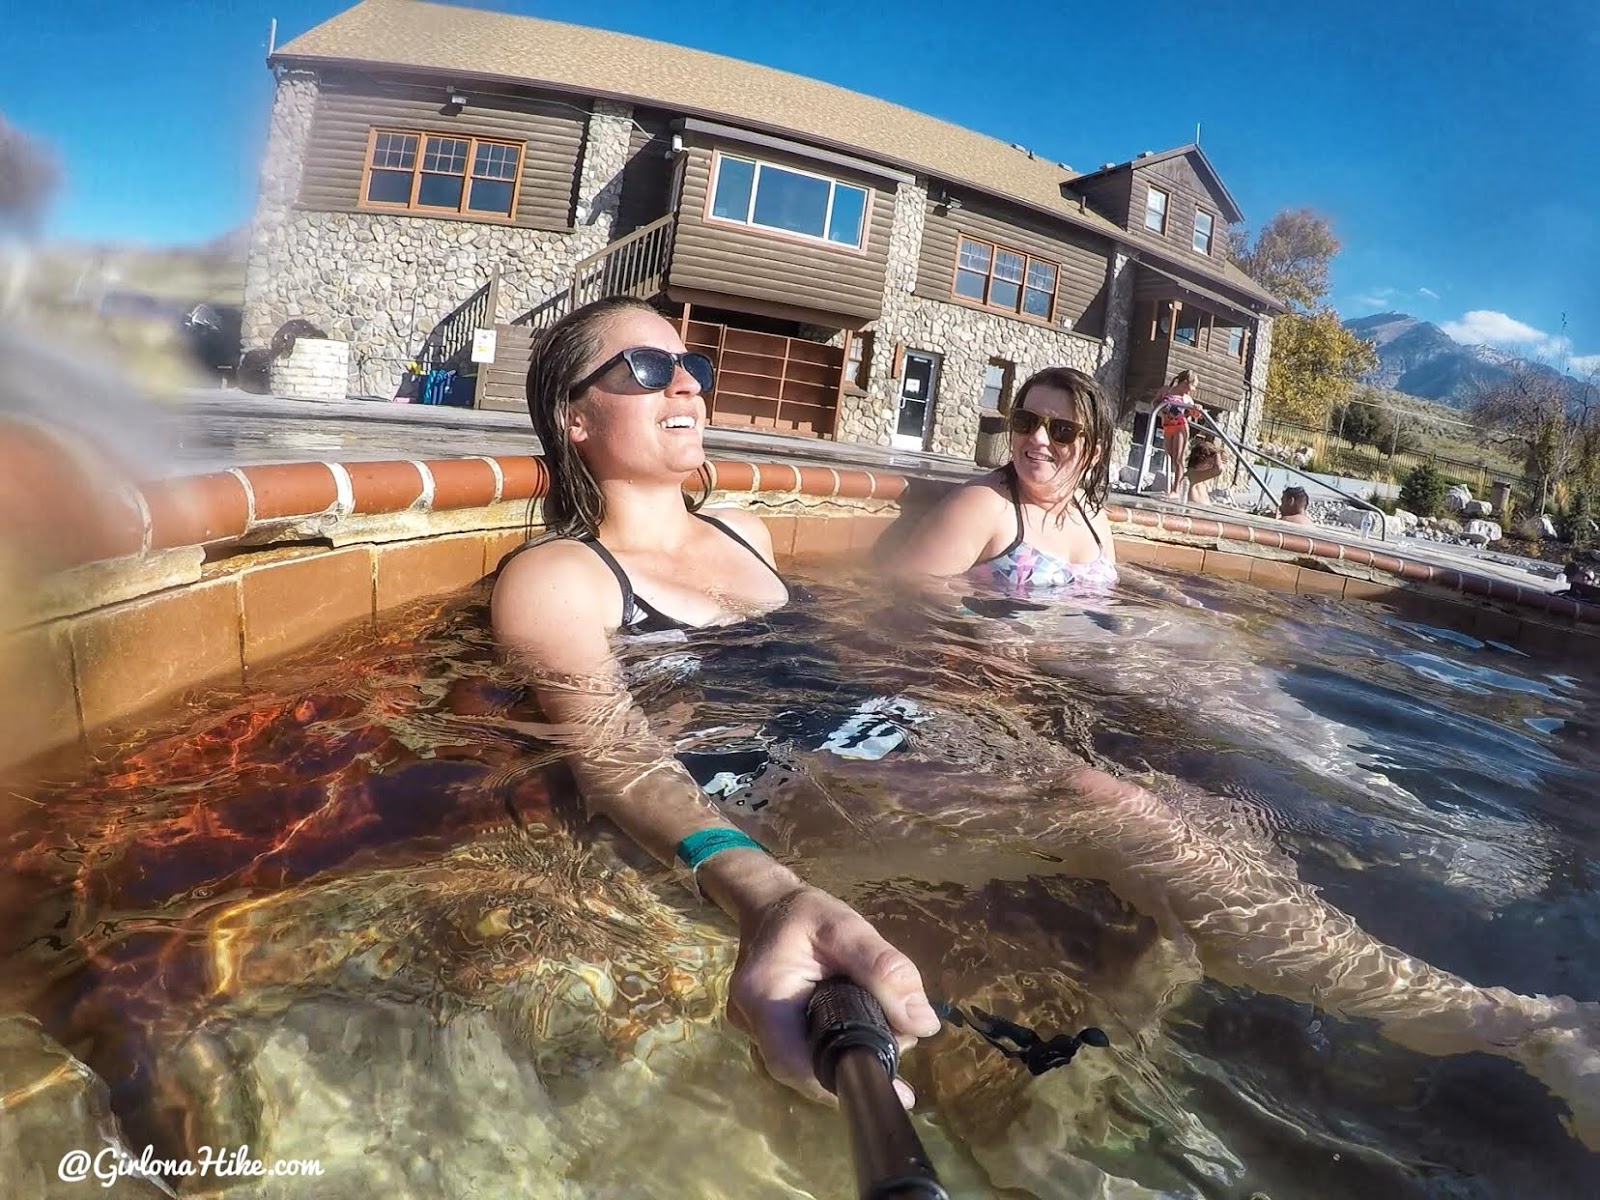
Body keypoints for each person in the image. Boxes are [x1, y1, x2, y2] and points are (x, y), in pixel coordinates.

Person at [489, 295, 940, 1108]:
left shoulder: (746, 531)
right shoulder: (559, 576)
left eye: (692, 368)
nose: (686, 386)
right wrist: (764, 891)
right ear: (575, 419)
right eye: (648, 369)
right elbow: (614, 754)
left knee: (1118, 807)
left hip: (876, 744)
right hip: (777, 798)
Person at [883, 366, 1118, 598]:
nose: (1037, 437)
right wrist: (976, 622)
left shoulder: (1093, 516)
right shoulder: (983, 505)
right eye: (1026, 421)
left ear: (1092, 454)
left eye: (1062, 430)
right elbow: (906, 587)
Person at [1156, 370, 1203, 499]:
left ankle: (1175, 490)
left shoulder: (1187, 399)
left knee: (1178, 459)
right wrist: (1161, 412)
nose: (1193, 390)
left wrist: (1197, 409)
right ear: (1184, 383)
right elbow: (1154, 403)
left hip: (1180, 427)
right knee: (1171, 456)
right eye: (1192, 386)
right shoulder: (1166, 391)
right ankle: (1177, 481)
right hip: (1167, 426)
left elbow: (1195, 415)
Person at [1184, 437, 1223, 505]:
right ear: (1201, 460)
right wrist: (1217, 453)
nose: (1210, 467)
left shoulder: (1200, 483)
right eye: (1209, 463)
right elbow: (1218, 469)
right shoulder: (1191, 476)